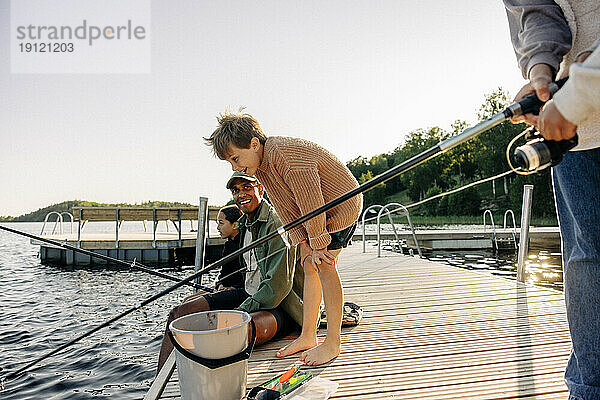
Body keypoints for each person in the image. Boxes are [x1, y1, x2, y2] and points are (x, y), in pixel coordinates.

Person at [205, 112, 362, 366]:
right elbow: (287, 208)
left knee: (324, 266)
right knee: (308, 265)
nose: (234, 167)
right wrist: (302, 240)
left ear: (254, 144)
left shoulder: (284, 155)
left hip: (340, 206)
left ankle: (332, 343)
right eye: (230, 162)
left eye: (235, 158)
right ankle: (308, 335)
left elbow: (310, 200)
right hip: (316, 210)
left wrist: (319, 243)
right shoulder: (261, 167)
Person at [503, 2, 600, 399]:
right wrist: (541, 71)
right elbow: (536, 9)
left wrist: (576, 95)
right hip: (578, 135)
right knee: (586, 261)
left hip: (576, 106)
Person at [156, 172, 303, 373]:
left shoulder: (275, 225)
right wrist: (220, 290)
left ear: (261, 189)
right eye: (236, 190)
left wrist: (239, 310)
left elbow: (278, 288)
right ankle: (159, 383)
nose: (241, 194)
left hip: (280, 304)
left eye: (247, 187)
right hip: (247, 293)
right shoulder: (243, 225)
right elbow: (240, 267)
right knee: (178, 314)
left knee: (234, 332)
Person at [215, 205, 245, 290]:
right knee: (187, 300)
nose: (218, 227)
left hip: (238, 290)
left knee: (190, 303)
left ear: (235, 225)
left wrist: (233, 287)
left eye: (221, 223)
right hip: (226, 288)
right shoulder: (228, 245)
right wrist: (220, 284)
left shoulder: (244, 244)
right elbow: (224, 272)